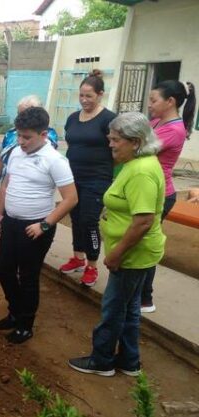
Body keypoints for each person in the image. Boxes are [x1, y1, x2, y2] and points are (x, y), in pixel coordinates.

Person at [69, 112, 166, 377]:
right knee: (130, 308)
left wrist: (116, 254)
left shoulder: (141, 172)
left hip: (132, 254)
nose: (110, 144)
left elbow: (143, 220)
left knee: (113, 309)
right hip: (136, 252)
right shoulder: (136, 164)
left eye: (115, 140)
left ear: (135, 141)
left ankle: (102, 360)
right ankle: (129, 360)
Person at [0, 107, 77, 344]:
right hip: (11, 221)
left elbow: (71, 198)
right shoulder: (17, 153)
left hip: (36, 227)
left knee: (28, 276)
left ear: (43, 134)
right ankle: (15, 311)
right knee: (4, 270)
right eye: (19, 135)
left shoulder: (55, 160)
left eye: (26, 137)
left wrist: (44, 225)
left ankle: (25, 324)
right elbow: (8, 184)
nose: (21, 141)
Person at [140, 80, 196, 313]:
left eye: (154, 100)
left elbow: (140, 149)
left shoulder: (174, 130)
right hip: (147, 189)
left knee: (145, 244)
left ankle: (145, 298)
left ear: (170, 102)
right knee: (138, 243)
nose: (149, 105)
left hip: (161, 194)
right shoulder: (155, 121)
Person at [59, 70, 117, 287]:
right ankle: (78, 256)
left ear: (100, 94)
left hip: (97, 178)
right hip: (73, 177)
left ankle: (92, 266)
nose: (84, 100)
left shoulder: (109, 119)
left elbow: (117, 148)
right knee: (75, 217)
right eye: (81, 95)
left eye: (89, 96)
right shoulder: (73, 118)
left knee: (89, 220)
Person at [0, 95, 58, 203]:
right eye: (19, 114)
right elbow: (0, 159)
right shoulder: (10, 134)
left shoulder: (48, 135)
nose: (22, 118)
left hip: (33, 191)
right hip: (9, 185)